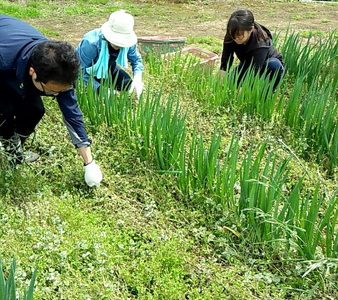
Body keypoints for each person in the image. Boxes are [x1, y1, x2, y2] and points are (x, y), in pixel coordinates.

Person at [0, 14, 103, 187]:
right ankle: (9, 146)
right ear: (33, 72)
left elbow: (72, 115)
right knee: (4, 114)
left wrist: (89, 163)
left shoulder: (59, 69)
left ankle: (13, 152)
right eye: (53, 92)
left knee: (35, 110)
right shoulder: (4, 60)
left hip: (15, 56)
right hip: (5, 62)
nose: (57, 95)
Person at [76, 10, 144, 98]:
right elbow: (80, 72)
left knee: (127, 84)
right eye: (116, 41)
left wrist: (138, 78)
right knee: (96, 95)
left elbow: (136, 60)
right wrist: (100, 89)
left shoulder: (129, 44)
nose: (119, 45)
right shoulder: (91, 43)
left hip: (107, 68)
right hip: (86, 72)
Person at [220, 9, 284, 90]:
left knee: (273, 65)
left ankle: (268, 90)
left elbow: (255, 70)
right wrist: (222, 73)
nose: (235, 38)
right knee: (230, 84)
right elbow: (227, 57)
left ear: (251, 29)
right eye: (233, 35)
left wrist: (245, 91)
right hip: (247, 63)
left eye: (240, 35)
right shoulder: (232, 33)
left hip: (267, 66)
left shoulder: (260, 42)